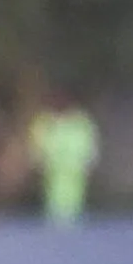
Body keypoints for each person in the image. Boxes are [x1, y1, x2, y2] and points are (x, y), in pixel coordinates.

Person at [30, 95, 99, 226]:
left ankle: (73, 215)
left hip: (75, 166)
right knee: (54, 191)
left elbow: (89, 141)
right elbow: (39, 143)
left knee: (75, 191)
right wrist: (39, 159)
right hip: (54, 167)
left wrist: (89, 159)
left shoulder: (80, 122)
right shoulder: (46, 122)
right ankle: (56, 216)